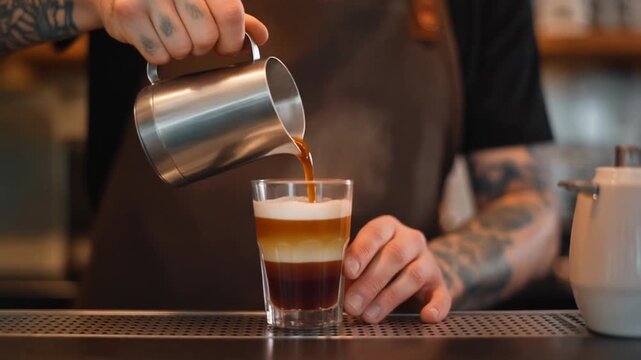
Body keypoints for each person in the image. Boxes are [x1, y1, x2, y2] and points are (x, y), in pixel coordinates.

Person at [0, 0, 560, 324]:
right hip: (130, 337)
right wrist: (95, 5)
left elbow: (532, 206)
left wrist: (444, 268)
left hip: (364, 343)